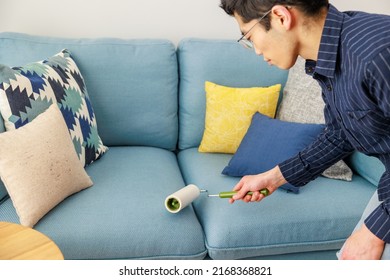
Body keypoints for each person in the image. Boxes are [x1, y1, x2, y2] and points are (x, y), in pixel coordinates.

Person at [220, 0, 390, 260]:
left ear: (280, 16)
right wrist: (274, 177)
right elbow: (339, 134)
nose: (255, 50)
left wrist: (375, 232)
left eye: (250, 35)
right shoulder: (331, 58)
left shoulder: (376, 54)